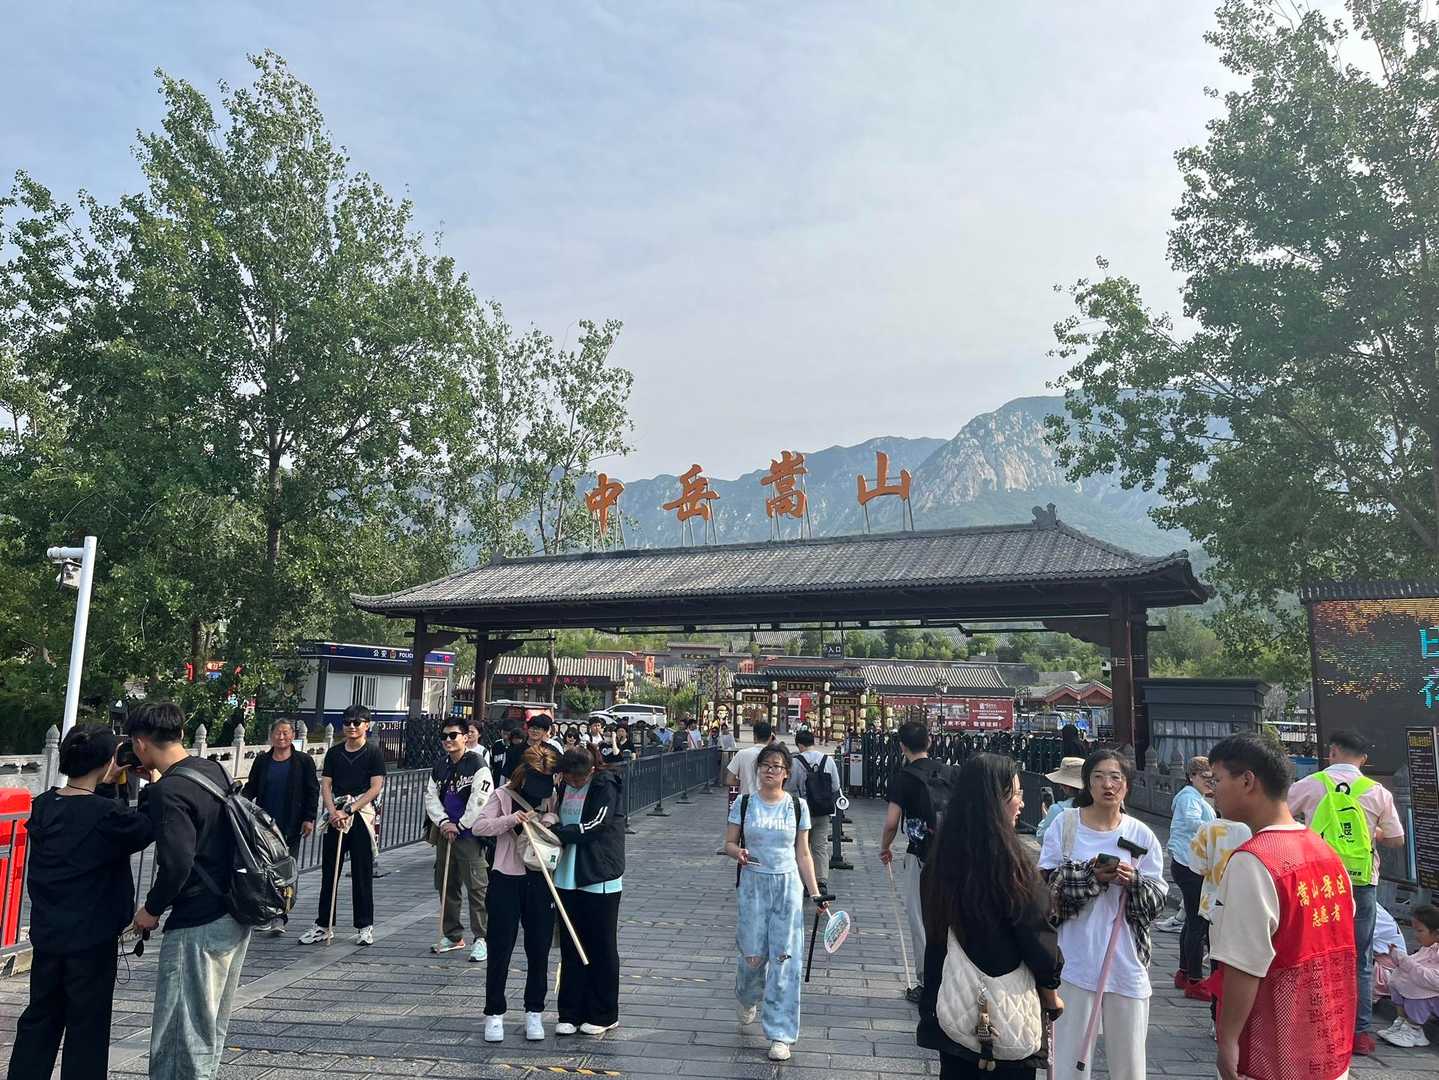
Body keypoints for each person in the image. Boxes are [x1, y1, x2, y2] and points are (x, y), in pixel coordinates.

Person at [8, 726, 154, 1080]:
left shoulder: (44, 806)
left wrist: (106, 782)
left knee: (40, 1019)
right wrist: (154, 782)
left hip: (49, 933)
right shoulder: (106, 816)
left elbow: (83, 811)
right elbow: (145, 828)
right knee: (87, 1028)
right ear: (106, 762)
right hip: (92, 939)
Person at [1208, 732, 1355, 1080]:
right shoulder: (1325, 851)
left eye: (1217, 780)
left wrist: (1228, 1039)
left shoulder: (1254, 861)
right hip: (1329, 1041)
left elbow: (1244, 964)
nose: (1213, 791)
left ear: (1247, 781)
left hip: (1275, 1046)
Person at [127, 702, 252, 1080]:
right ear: (181, 734)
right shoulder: (212, 770)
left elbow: (177, 865)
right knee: (208, 1024)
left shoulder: (170, 791)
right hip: (233, 909)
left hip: (198, 922)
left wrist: (151, 910)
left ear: (140, 744)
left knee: (182, 1031)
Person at [918, 754, 1063, 1078]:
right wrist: (1051, 992)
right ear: (995, 799)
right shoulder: (1013, 869)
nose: (1021, 802)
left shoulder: (938, 863)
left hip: (952, 998)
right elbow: (1037, 940)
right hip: (1005, 1004)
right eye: (1016, 793)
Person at [1038, 749, 1166, 1080]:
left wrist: (1134, 881)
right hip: (1074, 958)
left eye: (1115, 777)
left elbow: (1156, 901)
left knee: (1129, 1064)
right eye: (1098, 777)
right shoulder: (1066, 825)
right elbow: (1046, 887)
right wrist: (1089, 875)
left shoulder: (1141, 835)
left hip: (1126, 959)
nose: (1107, 785)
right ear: (1087, 783)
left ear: (1127, 785)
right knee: (1068, 1059)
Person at [1288, 728, 1405, 1055]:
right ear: (1363, 759)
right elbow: (1397, 839)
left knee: (1313, 951)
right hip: (1361, 881)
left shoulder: (1311, 784)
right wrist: (1374, 833)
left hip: (1318, 878)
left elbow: (1280, 815)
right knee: (1360, 957)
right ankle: (1360, 1033)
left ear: (1333, 752)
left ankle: (1313, 1027)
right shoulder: (1377, 792)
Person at [724, 742, 829, 1062]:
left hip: (787, 888)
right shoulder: (744, 803)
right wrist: (738, 852)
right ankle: (746, 997)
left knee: (785, 960)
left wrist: (815, 893)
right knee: (752, 957)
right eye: (765, 765)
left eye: (777, 766)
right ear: (758, 769)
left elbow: (804, 853)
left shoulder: (797, 806)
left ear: (786, 773)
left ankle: (781, 1034)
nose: (770, 771)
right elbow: (728, 843)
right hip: (753, 886)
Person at [473, 743, 561, 1043]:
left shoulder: (549, 794)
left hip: (540, 878)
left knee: (539, 948)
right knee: (500, 948)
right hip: (506, 877)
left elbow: (558, 819)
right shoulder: (502, 795)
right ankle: (494, 1013)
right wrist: (511, 820)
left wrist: (549, 820)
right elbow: (479, 827)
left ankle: (534, 1011)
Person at [544, 746, 628, 1037]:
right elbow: (557, 814)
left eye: (579, 778)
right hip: (567, 875)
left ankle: (604, 1013)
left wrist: (559, 832)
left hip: (598, 874)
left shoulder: (606, 784)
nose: (574, 782)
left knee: (600, 946)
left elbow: (597, 824)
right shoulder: (563, 785)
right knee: (571, 945)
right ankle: (570, 1012)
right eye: (569, 777)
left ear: (591, 770)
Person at [300, 705, 386, 946]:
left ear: (367, 725)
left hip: (360, 815)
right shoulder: (334, 753)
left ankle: (365, 926)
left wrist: (350, 809)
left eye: (357, 722)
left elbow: (375, 787)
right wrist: (333, 812)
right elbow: (326, 784)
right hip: (336, 815)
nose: (351, 726)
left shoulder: (373, 753)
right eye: (347, 722)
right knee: (330, 872)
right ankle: (324, 924)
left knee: (362, 873)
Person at [879, 721, 951, 1004]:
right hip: (951, 855)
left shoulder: (903, 778)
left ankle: (926, 982)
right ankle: (951, 977)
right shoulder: (948, 772)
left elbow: (891, 823)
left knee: (920, 919)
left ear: (902, 746)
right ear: (929, 741)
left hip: (920, 855)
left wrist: (885, 848)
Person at [425, 720, 495, 960]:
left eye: (453, 735)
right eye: (444, 736)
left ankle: (482, 937)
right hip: (445, 832)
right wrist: (444, 822)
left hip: (469, 834)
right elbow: (431, 797)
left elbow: (480, 798)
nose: (448, 740)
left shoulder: (477, 764)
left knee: (477, 886)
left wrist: (462, 824)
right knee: (446, 883)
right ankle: (452, 934)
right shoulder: (440, 765)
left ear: (466, 737)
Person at [242, 717, 319, 933]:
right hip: (263, 826)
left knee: (284, 871)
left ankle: (280, 916)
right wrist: (239, 802)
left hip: (291, 825)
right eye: (277, 732)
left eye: (286, 732)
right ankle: (264, 913)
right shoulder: (262, 761)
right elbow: (251, 788)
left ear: (293, 735)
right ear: (271, 736)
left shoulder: (303, 761)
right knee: (262, 870)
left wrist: (309, 818)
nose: (281, 737)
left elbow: (312, 791)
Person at [1167, 756, 1217, 996]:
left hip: (1188, 862)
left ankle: (1185, 972)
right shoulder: (1189, 797)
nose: (1210, 782)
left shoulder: (1195, 796)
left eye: (1212, 779)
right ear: (1192, 776)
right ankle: (1195, 980)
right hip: (1189, 863)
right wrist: (1219, 827)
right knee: (1198, 922)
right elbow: (1191, 822)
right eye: (1205, 777)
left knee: (1192, 920)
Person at [1377, 904, 1439, 1047]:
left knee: (1417, 988)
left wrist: (1405, 962)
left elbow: (1433, 980)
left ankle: (1414, 1029)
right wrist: (1398, 958)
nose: (1416, 935)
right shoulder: (1429, 947)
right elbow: (1413, 966)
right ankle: (1403, 1021)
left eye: (1420, 931)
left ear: (1436, 933)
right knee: (1397, 978)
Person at [788, 729, 841, 891]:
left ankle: (804, 882)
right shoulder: (827, 760)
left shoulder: (796, 762)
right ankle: (821, 881)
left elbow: (791, 787)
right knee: (820, 846)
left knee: (802, 847)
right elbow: (836, 786)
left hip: (803, 810)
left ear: (799, 745)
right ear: (814, 742)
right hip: (823, 809)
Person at [1034, 756, 1083, 846]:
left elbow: (1042, 837)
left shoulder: (1058, 810)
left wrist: (1045, 817)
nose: (1060, 787)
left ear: (1067, 787)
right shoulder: (1096, 807)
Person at [726, 720, 778, 797]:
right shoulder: (776, 757)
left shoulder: (741, 754)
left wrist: (744, 782)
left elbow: (730, 780)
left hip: (746, 799)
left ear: (754, 736)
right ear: (770, 737)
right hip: (768, 800)